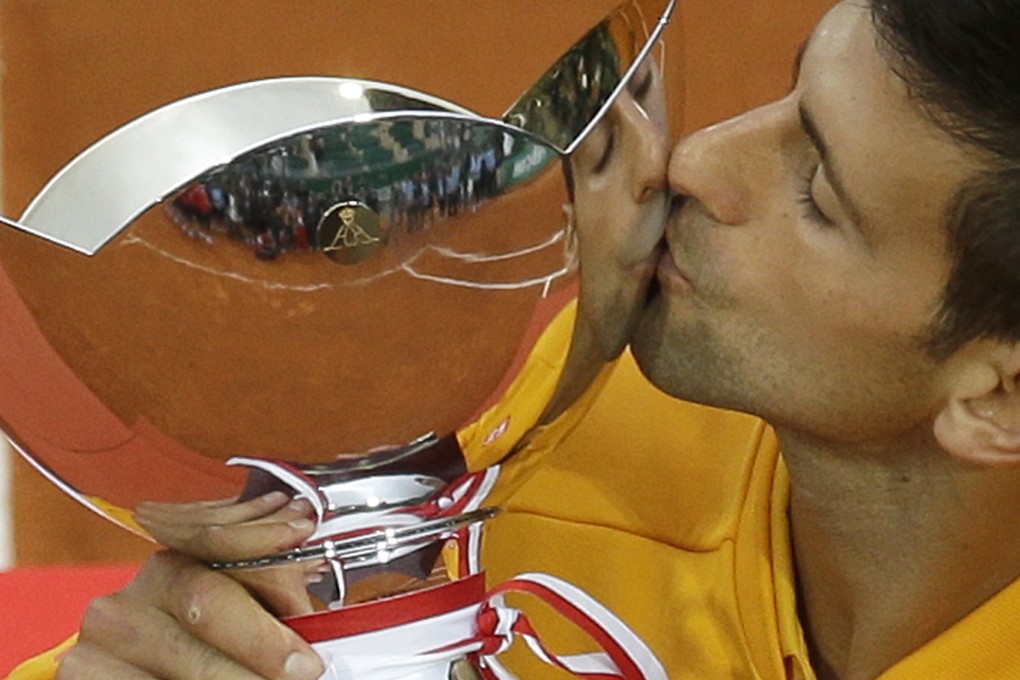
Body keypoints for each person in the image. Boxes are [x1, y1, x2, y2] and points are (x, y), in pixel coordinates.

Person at [13, 0, 1020, 678]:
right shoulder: (501, 419)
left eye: (817, 192)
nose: (699, 161)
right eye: (790, 96)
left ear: (1000, 397)